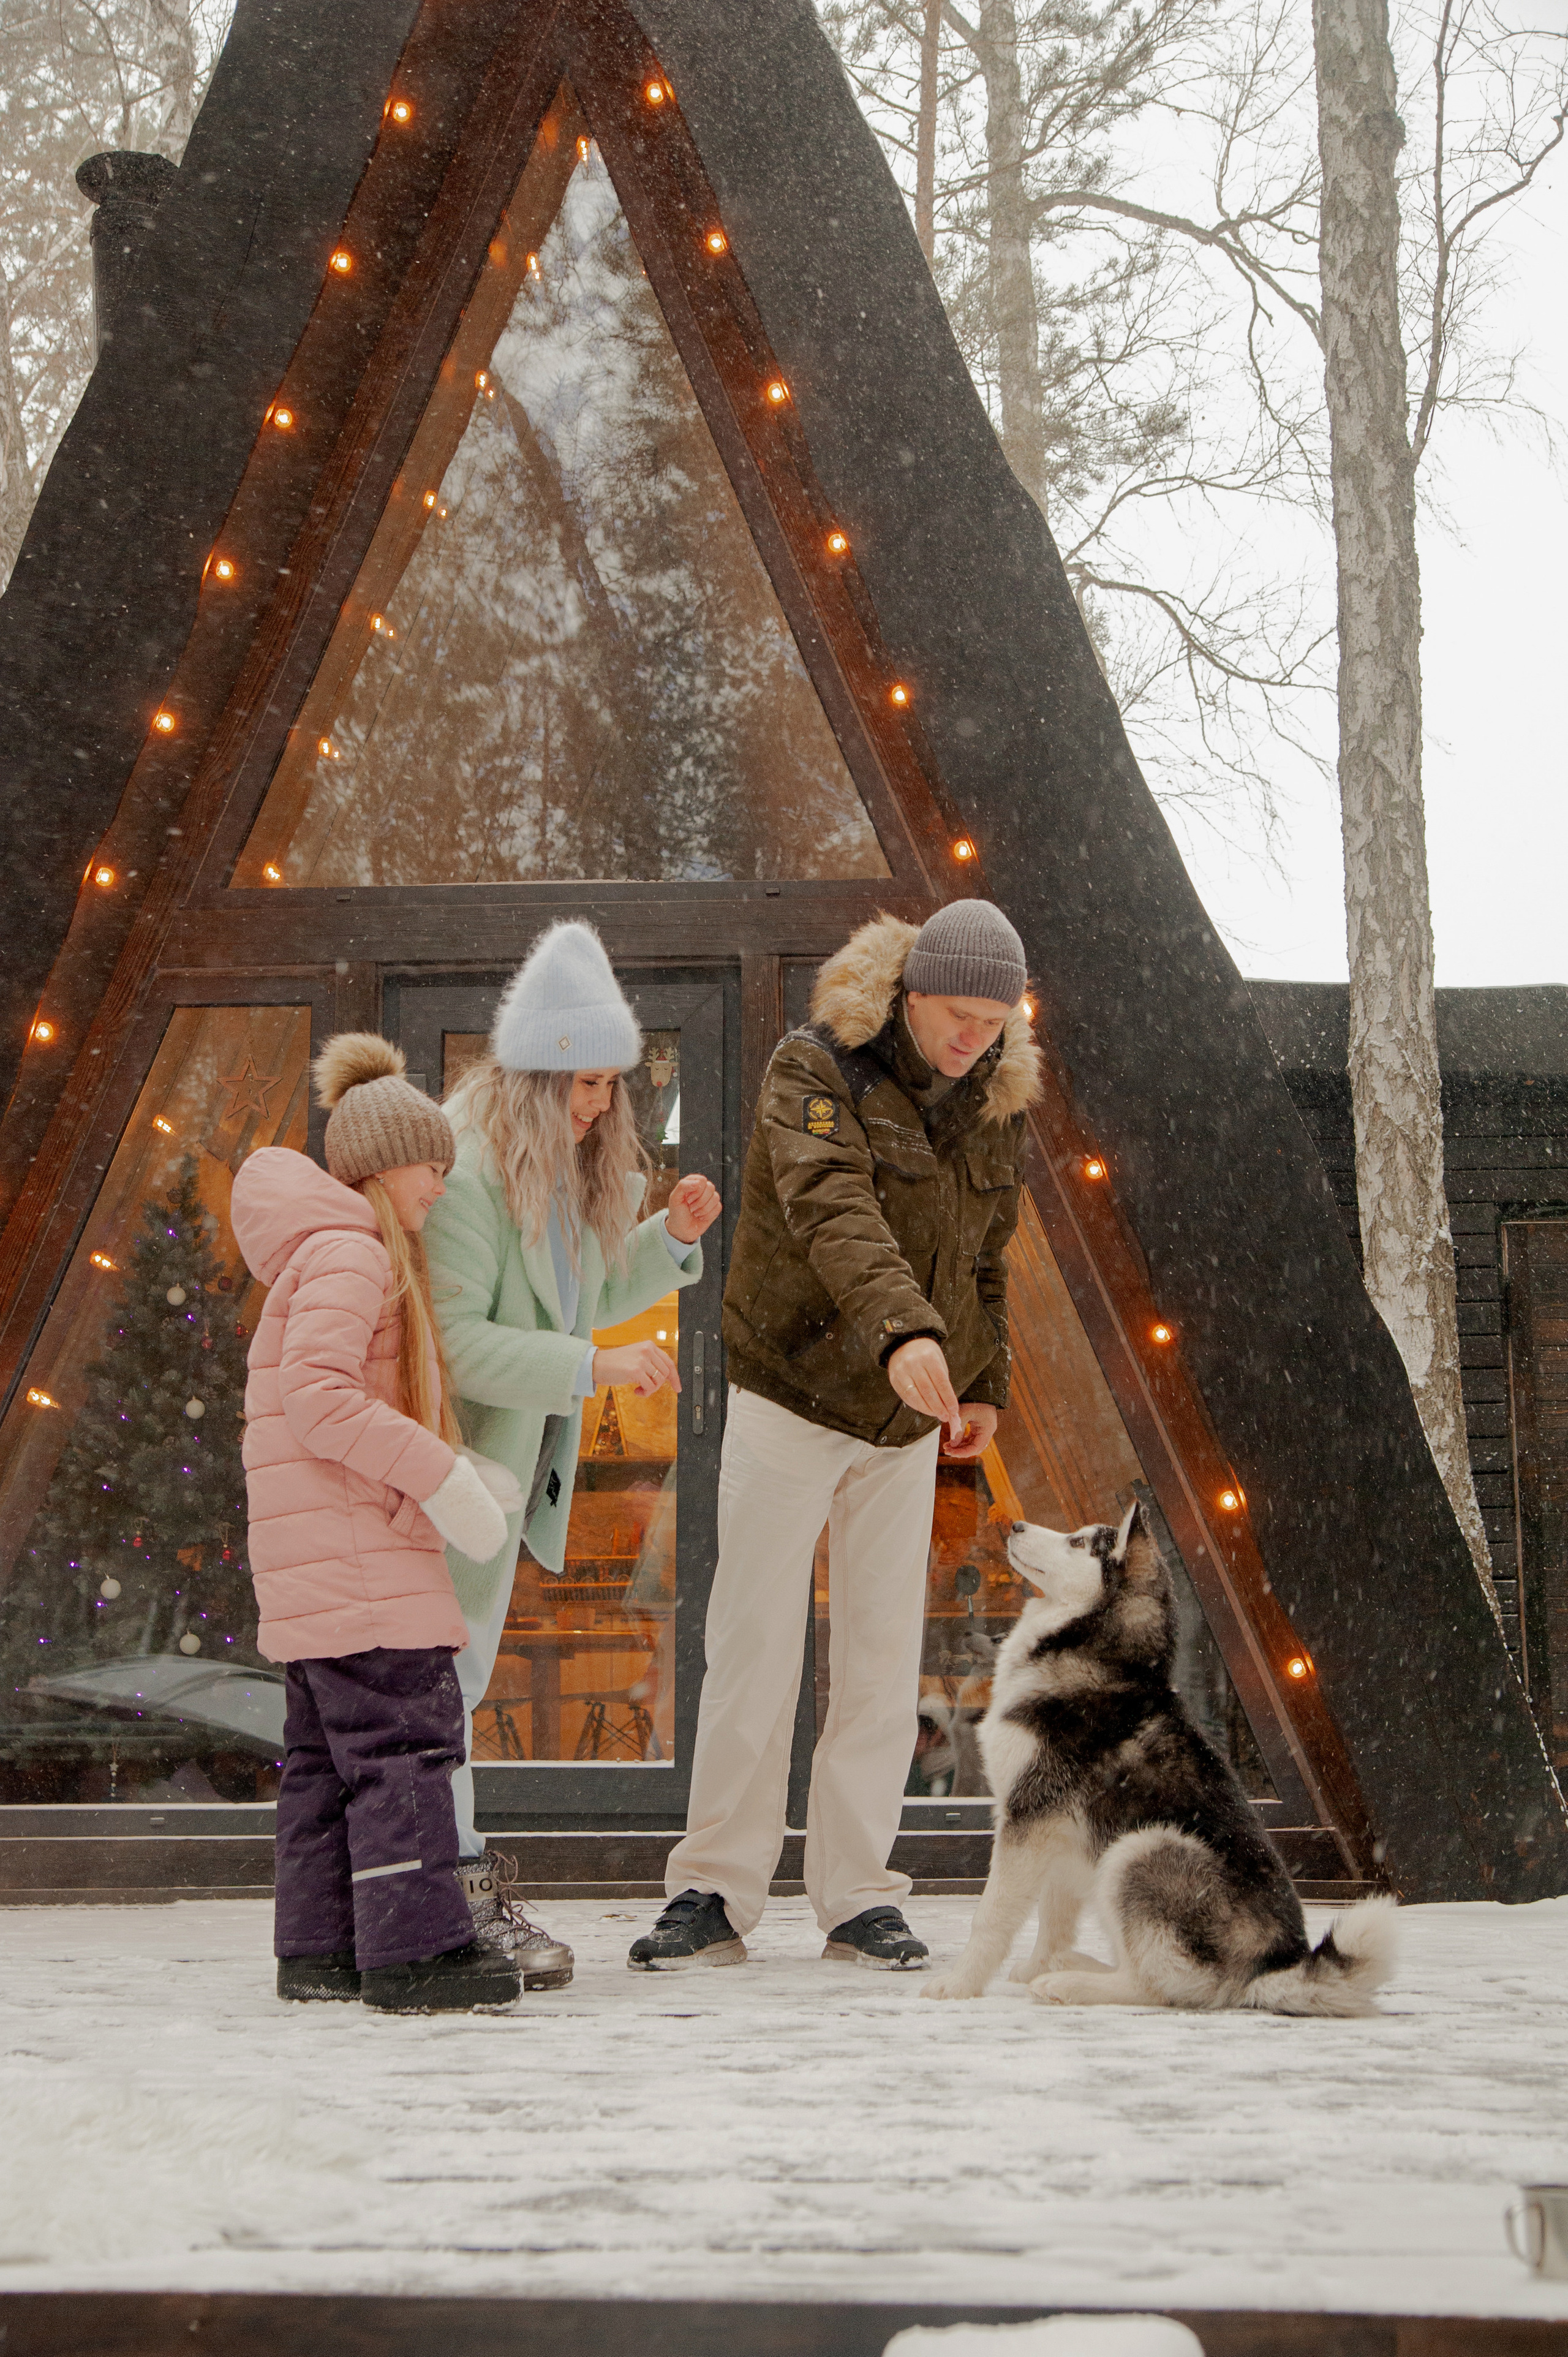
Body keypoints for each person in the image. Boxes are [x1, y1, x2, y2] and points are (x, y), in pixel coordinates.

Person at [628, 901, 1040, 1973]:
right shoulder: (816, 1068)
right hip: (791, 1391)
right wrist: (904, 1328)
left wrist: (980, 1376)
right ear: (911, 994)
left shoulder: (997, 1103)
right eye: (958, 1016)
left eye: (995, 1022)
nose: (975, 1040)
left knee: (878, 1658)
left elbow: (987, 1259)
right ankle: (714, 1890)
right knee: (755, 1646)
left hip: (905, 1420)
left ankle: (858, 1896)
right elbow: (832, 1209)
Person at [424, 922, 721, 1981]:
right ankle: (444, 1897)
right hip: (452, 1477)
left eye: (609, 1084)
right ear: (542, 1072)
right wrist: (594, 1372)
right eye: (587, 1082)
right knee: (441, 1690)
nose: (601, 1104)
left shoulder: (560, 1167)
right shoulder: (466, 1172)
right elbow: (458, 1348)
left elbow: (585, 1297)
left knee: (450, 1686)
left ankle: (441, 1891)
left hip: (505, 1488)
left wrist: (670, 1242)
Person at [230, 1036, 526, 2013]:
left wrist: (454, 1469)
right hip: (362, 1565)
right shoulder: (356, 1253)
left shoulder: (318, 1256)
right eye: (432, 1167)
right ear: (381, 1165)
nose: (442, 1187)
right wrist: (441, 1474)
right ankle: (416, 1953)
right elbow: (318, 1398)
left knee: (325, 1768)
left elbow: (330, 1404)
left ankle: (320, 1949)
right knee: (405, 1749)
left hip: (319, 1564)